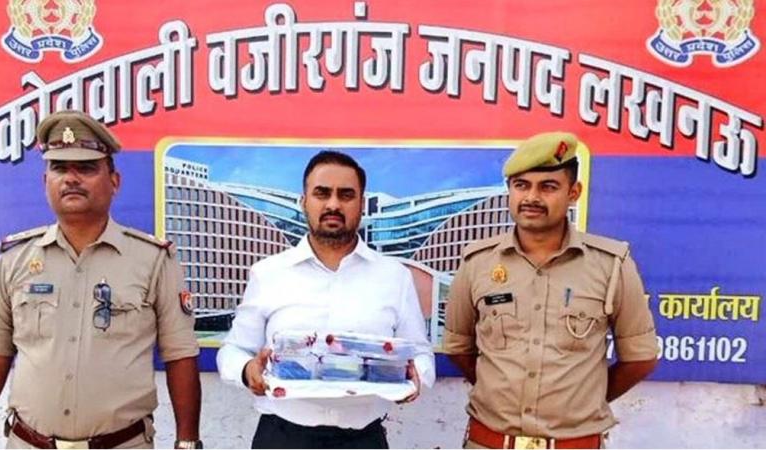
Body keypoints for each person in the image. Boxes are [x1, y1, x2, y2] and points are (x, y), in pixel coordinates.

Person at [0, 110, 203, 449]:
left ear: (114, 182)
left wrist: (187, 443)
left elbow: (180, 356)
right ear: (45, 181)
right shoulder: (13, 261)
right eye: (60, 168)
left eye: (86, 168)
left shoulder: (153, 260)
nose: (71, 178)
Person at [443, 132, 658, 449]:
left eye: (548, 187)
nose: (531, 197)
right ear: (509, 190)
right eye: (521, 185)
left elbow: (640, 358)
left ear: (573, 193)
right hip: (489, 442)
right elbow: (458, 347)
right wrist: (496, 389)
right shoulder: (477, 262)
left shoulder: (611, 264)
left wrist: (584, 402)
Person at [216, 150, 435, 449]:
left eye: (346, 195)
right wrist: (247, 370)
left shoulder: (394, 277)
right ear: (303, 201)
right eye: (322, 193)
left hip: (364, 440)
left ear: (361, 204)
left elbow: (420, 353)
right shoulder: (268, 273)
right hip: (281, 437)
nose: (333, 204)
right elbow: (233, 350)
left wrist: (414, 377)